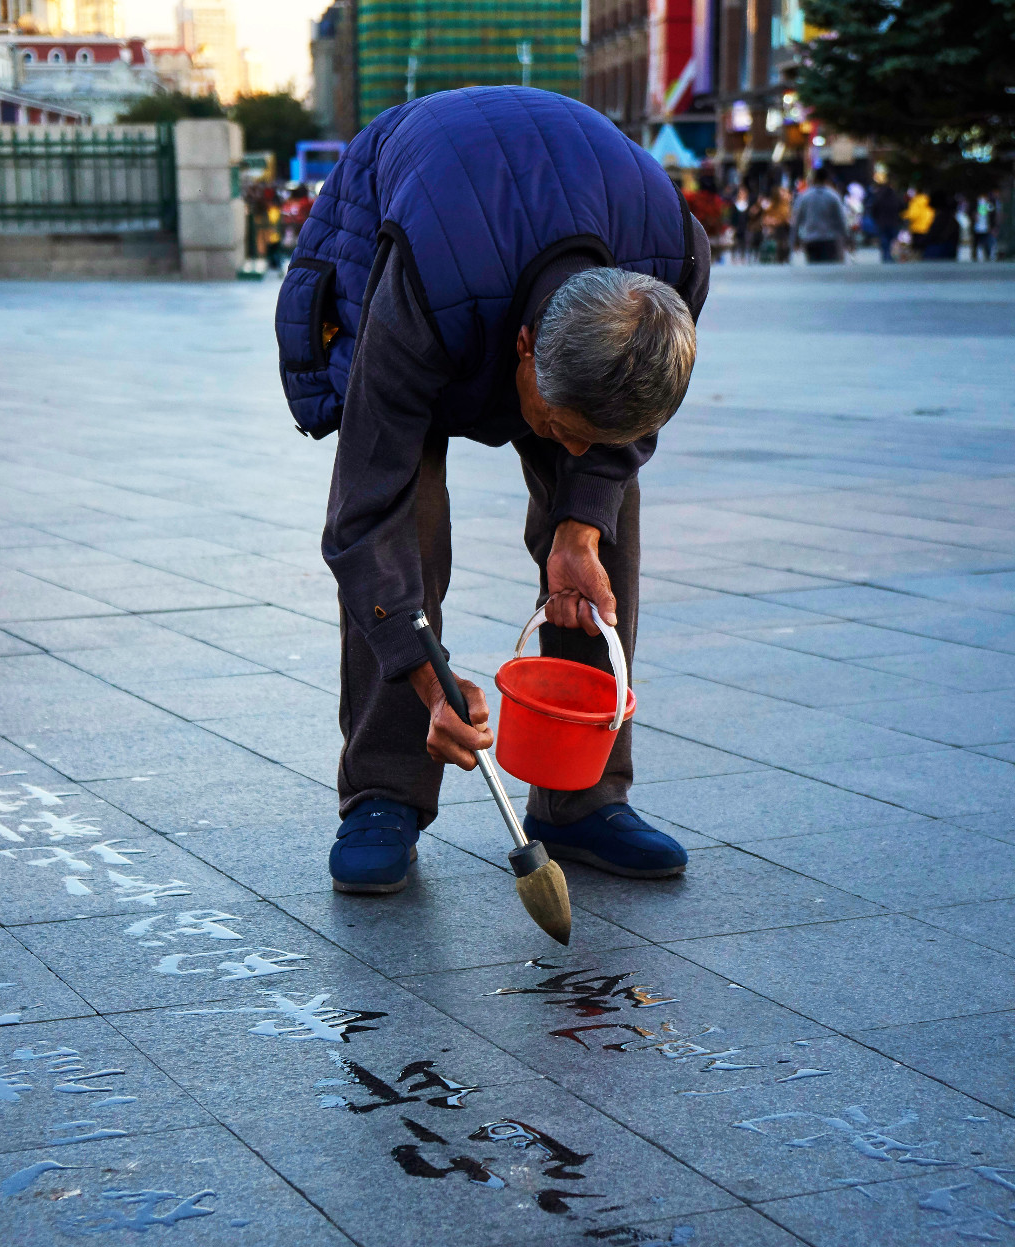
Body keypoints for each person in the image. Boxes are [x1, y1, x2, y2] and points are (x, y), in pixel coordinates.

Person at [276, 86, 710, 894]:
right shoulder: (424, 285)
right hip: (408, 227)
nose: (571, 449)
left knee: (603, 529)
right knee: (402, 535)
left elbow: (613, 435)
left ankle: (580, 796)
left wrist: (579, 526)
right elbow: (363, 510)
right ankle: (384, 794)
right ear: (522, 350)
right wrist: (420, 670)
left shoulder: (669, 271)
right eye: (559, 424)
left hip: (533, 242)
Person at [790, 166, 848, 263]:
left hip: (811, 239)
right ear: (827, 179)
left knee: (814, 270)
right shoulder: (833, 196)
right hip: (830, 240)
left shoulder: (804, 197)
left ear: (814, 178)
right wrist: (846, 238)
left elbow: (796, 220)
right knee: (830, 270)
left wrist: (794, 239)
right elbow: (841, 219)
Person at [869, 167, 902, 263]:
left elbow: (874, 209)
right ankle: (890, 258)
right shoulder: (895, 196)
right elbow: (902, 207)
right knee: (891, 241)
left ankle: (886, 258)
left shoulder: (879, 196)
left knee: (885, 242)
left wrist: (876, 219)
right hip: (893, 222)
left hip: (882, 223)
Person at [921, 189, 960, 260]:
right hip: (944, 248)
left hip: (939, 249)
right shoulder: (948, 217)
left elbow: (934, 234)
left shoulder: (942, 217)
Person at [903, 188, 934, 258]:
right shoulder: (928, 200)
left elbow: (913, 214)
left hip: (917, 228)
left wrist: (904, 215)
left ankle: (917, 263)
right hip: (927, 227)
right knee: (924, 248)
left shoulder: (915, 201)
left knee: (916, 249)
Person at [972, 192, 997, 260]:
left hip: (986, 228)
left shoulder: (989, 205)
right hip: (978, 228)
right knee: (978, 243)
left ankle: (988, 255)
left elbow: (992, 215)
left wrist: (992, 226)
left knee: (987, 242)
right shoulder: (975, 205)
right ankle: (976, 256)